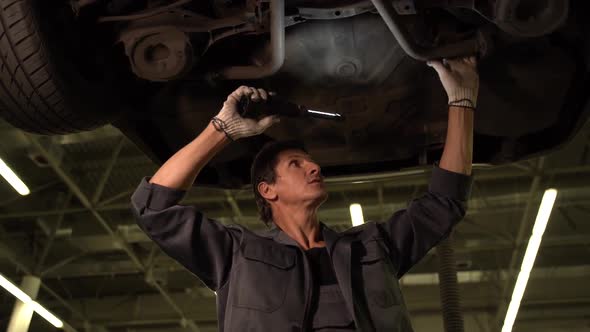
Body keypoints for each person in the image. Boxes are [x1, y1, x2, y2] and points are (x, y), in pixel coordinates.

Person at [130, 56, 478, 332]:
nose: (315, 168)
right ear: (267, 190)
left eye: (312, 163)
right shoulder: (236, 256)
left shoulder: (372, 247)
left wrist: (462, 99)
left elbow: (444, 202)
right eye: (297, 164)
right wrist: (223, 130)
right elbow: (153, 208)